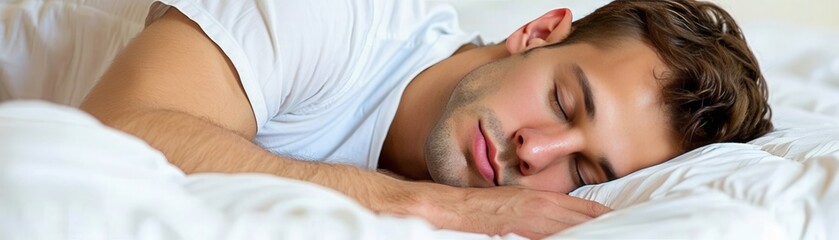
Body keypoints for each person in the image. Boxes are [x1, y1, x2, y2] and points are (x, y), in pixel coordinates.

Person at [80, 0, 773, 238]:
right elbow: (117, 131)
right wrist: (419, 203)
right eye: (564, 102)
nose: (536, 153)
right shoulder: (334, 18)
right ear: (538, 32)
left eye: (583, 168)